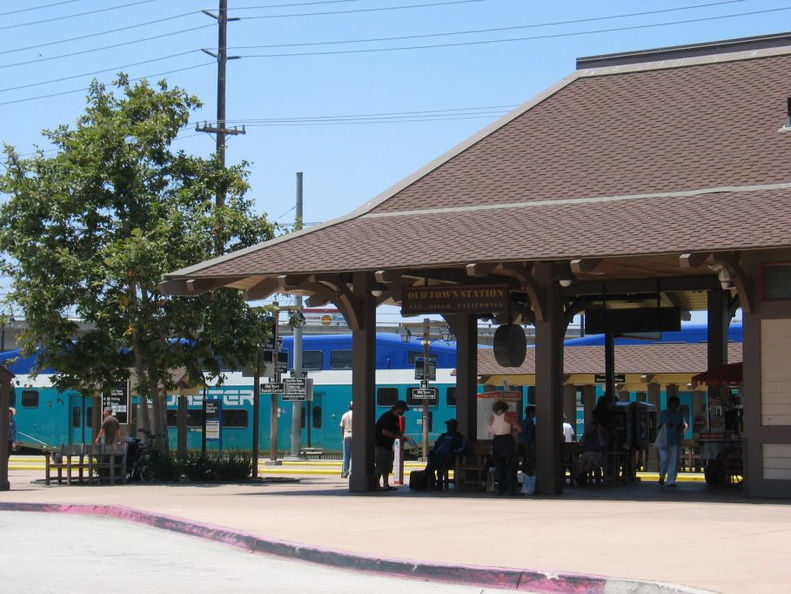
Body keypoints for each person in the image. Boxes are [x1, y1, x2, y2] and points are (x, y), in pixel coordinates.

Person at [374, 400, 410, 490]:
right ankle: (376, 484)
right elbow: (385, 431)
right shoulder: (387, 417)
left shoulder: (396, 418)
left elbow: (396, 431)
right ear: (398, 409)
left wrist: (403, 437)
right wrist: (399, 437)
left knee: (387, 465)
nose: (404, 412)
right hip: (380, 444)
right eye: (403, 410)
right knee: (380, 464)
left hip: (388, 445)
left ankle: (386, 484)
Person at [489, 400, 521, 496]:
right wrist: (513, 431)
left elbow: (491, 432)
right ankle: (511, 488)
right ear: (505, 408)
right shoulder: (508, 417)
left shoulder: (492, 418)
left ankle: (500, 489)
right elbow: (519, 428)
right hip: (507, 440)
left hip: (496, 441)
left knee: (499, 465)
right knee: (510, 464)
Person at [425, 419, 467, 490]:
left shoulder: (459, 437)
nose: (448, 427)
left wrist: (454, 452)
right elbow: (436, 447)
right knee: (431, 464)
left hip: (450, 458)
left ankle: (439, 482)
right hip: (439, 456)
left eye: (450, 425)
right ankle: (426, 480)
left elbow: (462, 448)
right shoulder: (443, 436)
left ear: (455, 427)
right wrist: (432, 452)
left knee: (440, 462)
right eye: (448, 425)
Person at [658, 395, 688, 487]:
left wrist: (678, 426)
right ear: (670, 404)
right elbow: (658, 426)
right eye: (675, 404)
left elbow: (684, 426)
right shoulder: (663, 413)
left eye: (677, 404)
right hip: (664, 439)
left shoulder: (679, 415)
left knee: (673, 461)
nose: (676, 406)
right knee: (664, 459)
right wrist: (665, 425)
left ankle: (670, 481)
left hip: (675, 439)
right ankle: (662, 475)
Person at [576, 420, 607, 485]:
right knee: (580, 461)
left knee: (591, 458)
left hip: (598, 454)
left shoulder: (601, 435)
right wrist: (585, 433)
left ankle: (582, 477)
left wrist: (599, 432)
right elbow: (581, 444)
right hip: (588, 453)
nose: (590, 429)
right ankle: (583, 477)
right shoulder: (587, 435)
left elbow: (602, 444)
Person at [518, 405, 536, 476]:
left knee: (525, 458)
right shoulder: (530, 421)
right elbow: (530, 433)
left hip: (523, 441)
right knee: (529, 458)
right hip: (529, 442)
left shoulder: (524, 421)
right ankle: (529, 473)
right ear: (531, 413)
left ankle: (525, 472)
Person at [339, 401, 353, 478]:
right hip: (354, 435)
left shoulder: (345, 415)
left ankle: (345, 472)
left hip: (346, 435)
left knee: (345, 455)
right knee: (352, 456)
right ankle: (351, 472)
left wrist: (342, 438)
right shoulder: (357, 415)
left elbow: (342, 427)